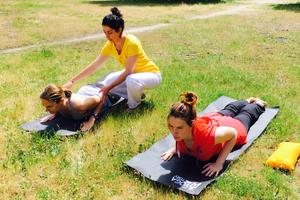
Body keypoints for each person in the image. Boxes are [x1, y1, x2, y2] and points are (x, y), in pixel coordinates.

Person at [63, 7, 161, 112]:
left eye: (110, 32)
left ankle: (134, 107)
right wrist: (72, 81)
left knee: (130, 80)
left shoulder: (132, 43)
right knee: (108, 81)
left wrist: (109, 88)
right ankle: (137, 94)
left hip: (151, 75)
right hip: (134, 74)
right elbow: (95, 66)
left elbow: (129, 72)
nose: (107, 36)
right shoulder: (110, 45)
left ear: (119, 30)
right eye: (104, 32)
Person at [161, 92, 267, 177]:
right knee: (229, 109)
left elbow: (233, 134)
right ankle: (246, 101)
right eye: (170, 126)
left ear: (192, 124)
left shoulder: (209, 136)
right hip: (213, 119)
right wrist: (175, 148)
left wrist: (219, 163)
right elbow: (178, 130)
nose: (174, 132)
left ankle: (256, 103)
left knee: (246, 113)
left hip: (232, 126)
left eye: (179, 128)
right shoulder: (182, 130)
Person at [40, 82, 119, 131]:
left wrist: (92, 119)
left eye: (49, 106)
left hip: (99, 90)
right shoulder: (59, 104)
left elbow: (101, 99)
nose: (46, 110)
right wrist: (53, 113)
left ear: (61, 101)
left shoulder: (79, 105)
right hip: (84, 92)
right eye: (45, 106)